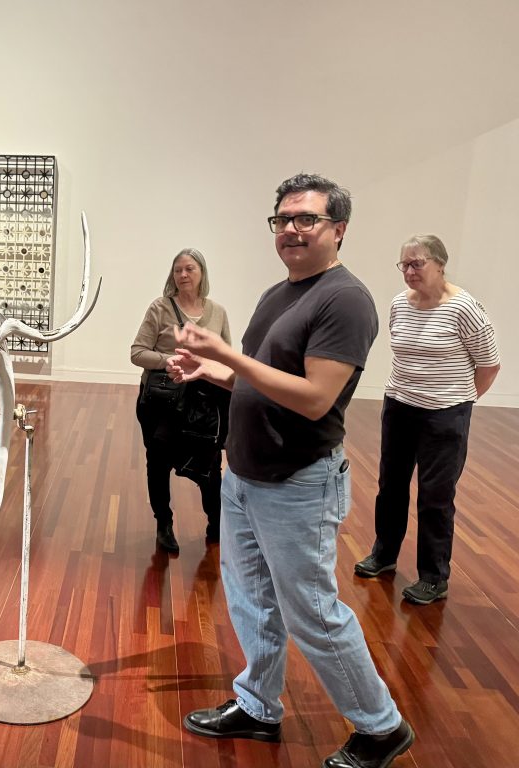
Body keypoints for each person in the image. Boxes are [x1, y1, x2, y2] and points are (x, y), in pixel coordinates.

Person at [169, 175, 414, 768]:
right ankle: (257, 706)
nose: (291, 229)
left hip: (298, 483)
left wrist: (227, 354)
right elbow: (261, 376)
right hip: (246, 475)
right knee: (251, 598)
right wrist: (214, 373)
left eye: (306, 218)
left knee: (312, 610)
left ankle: (381, 727)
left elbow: (314, 398)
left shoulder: (345, 300)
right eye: (282, 220)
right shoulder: (282, 293)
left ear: (338, 230)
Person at [354, 235, 499, 605]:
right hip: (400, 406)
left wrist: (457, 403)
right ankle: (384, 555)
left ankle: (434, 577)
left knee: (435, 497)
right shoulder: (400, 304)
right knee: (391, 486)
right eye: (404, 264)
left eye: (416, 263)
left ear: (439, 264)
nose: (409, 271)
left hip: (445, 416)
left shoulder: (464, 308)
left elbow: (489, 365)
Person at [131, 249, 231, 552]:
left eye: (190, 269)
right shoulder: (160, 308)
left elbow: (227, 357)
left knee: (210, 465)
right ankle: (164, 523)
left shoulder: (217, 312)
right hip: (162, 402)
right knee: (158, 462)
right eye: (178, 270)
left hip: (203, 404)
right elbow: (137, 352)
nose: (183, 275)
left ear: (202, 273)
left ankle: (217, 523)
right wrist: (169, 360)